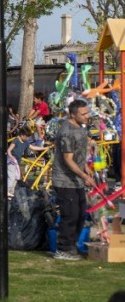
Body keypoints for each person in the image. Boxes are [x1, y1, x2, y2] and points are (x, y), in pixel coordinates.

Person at [51, 99, 96, 261]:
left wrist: (85, 167)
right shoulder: (67, 131)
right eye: (83, 114)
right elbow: (68, 159)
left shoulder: (80, 128)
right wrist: (84, 176)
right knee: (70, 215)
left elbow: (78, 154)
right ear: (72, 114)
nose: (87, 116)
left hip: (76, 179)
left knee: (80, 213)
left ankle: (72, 246)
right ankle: (63, 249)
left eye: (87, 112)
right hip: (64, 180)